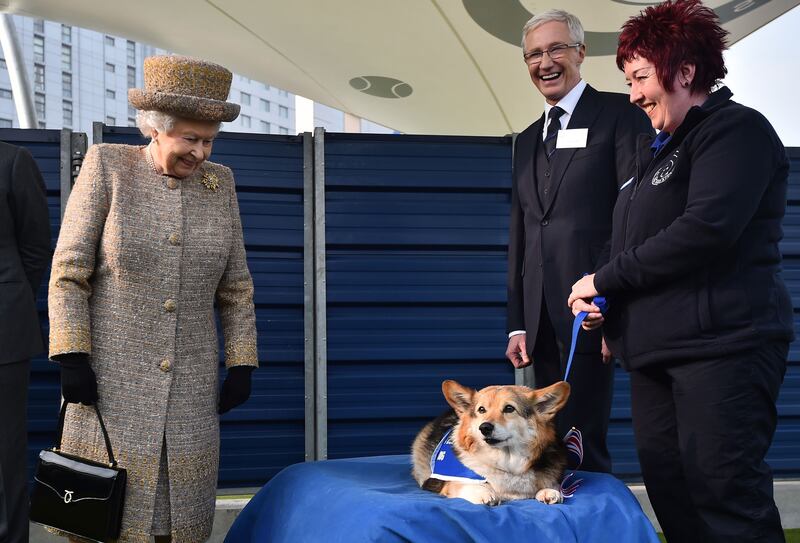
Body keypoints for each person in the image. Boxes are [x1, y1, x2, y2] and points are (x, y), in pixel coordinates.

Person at [567, 1, 793, 540]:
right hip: (653, 356)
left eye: (641, 77)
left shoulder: (737, 131)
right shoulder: (654, 155)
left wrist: (604, 281)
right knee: (671, 491)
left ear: (685, 72)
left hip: (722, 349)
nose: (633, 94)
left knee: (725, 493)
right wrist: (603, 304)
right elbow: (625, 242)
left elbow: (705, 230)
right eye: (629, 80)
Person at [48, 55, 258, 542]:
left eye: (209, 141)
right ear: (156, 129)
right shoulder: (108, 166)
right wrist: (72, 354)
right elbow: (69, 271)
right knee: (103, 519)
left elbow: (236, 287)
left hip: (191, 383)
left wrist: (242, 361)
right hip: (109, 382)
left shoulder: (219, 183)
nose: (201, 152)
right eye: (190, 138)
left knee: (179, 520)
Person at [505, 9, 652, 473]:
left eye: (555, 49)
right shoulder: (526, 139)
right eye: (533, 54)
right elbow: (522, 229)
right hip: (539, 319)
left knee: (584, 436)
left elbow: (632, 211)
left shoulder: (620, 115)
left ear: (580, 53)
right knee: (543, 443)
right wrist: (516, 323)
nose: (544, 62)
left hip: (589, 309)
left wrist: (605, 289)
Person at [0, 142, 51, 543]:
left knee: (3, 462)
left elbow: (35, 248)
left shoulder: (13, 160)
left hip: (3, 337)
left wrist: (11, 301)